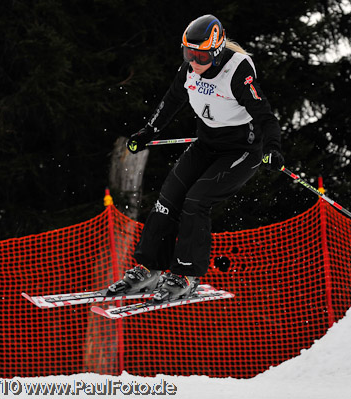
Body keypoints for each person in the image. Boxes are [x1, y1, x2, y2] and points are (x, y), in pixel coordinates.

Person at [108, 14, 285, 302]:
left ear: (216, 51)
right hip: (206, 144)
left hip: (241, 151)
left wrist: (273, 148)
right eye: (188, 52)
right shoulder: (190, 69)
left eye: (200, 54)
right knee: (168, 199)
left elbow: (265, 116)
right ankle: (150, 268)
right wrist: (147, 132)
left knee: (196, 201)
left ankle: (186, 274)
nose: (193, 60)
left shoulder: (237, 72)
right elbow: (170, 101)